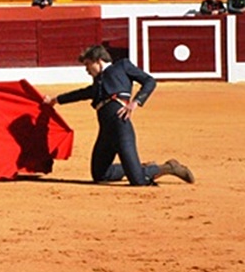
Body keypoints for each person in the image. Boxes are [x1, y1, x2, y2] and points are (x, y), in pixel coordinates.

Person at [43, 45, 195, 186]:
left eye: (88, 64)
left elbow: (149, 81)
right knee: (100, 175)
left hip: (121, 125)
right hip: (105, 132)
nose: (87, 70)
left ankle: (168, 167)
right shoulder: (98, 84)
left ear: (98, 61)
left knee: (138, 181)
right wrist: (55, 100)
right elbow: (81, 93)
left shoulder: (122, 66)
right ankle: (137, 166)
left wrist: (136, 101)